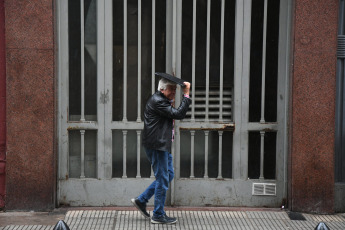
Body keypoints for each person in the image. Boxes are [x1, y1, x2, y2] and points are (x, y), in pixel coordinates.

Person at [131, 75, 191, 224]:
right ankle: (158, 215)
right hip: (157, 146)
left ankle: (142, 200)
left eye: (175, 89)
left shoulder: (162, 100)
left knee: (168, 175)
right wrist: (186, 94)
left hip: (160, 145)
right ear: (162, 89)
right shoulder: (158, 101)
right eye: (171, 89)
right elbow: (179, 114)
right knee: (163, 178)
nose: (173, 92)